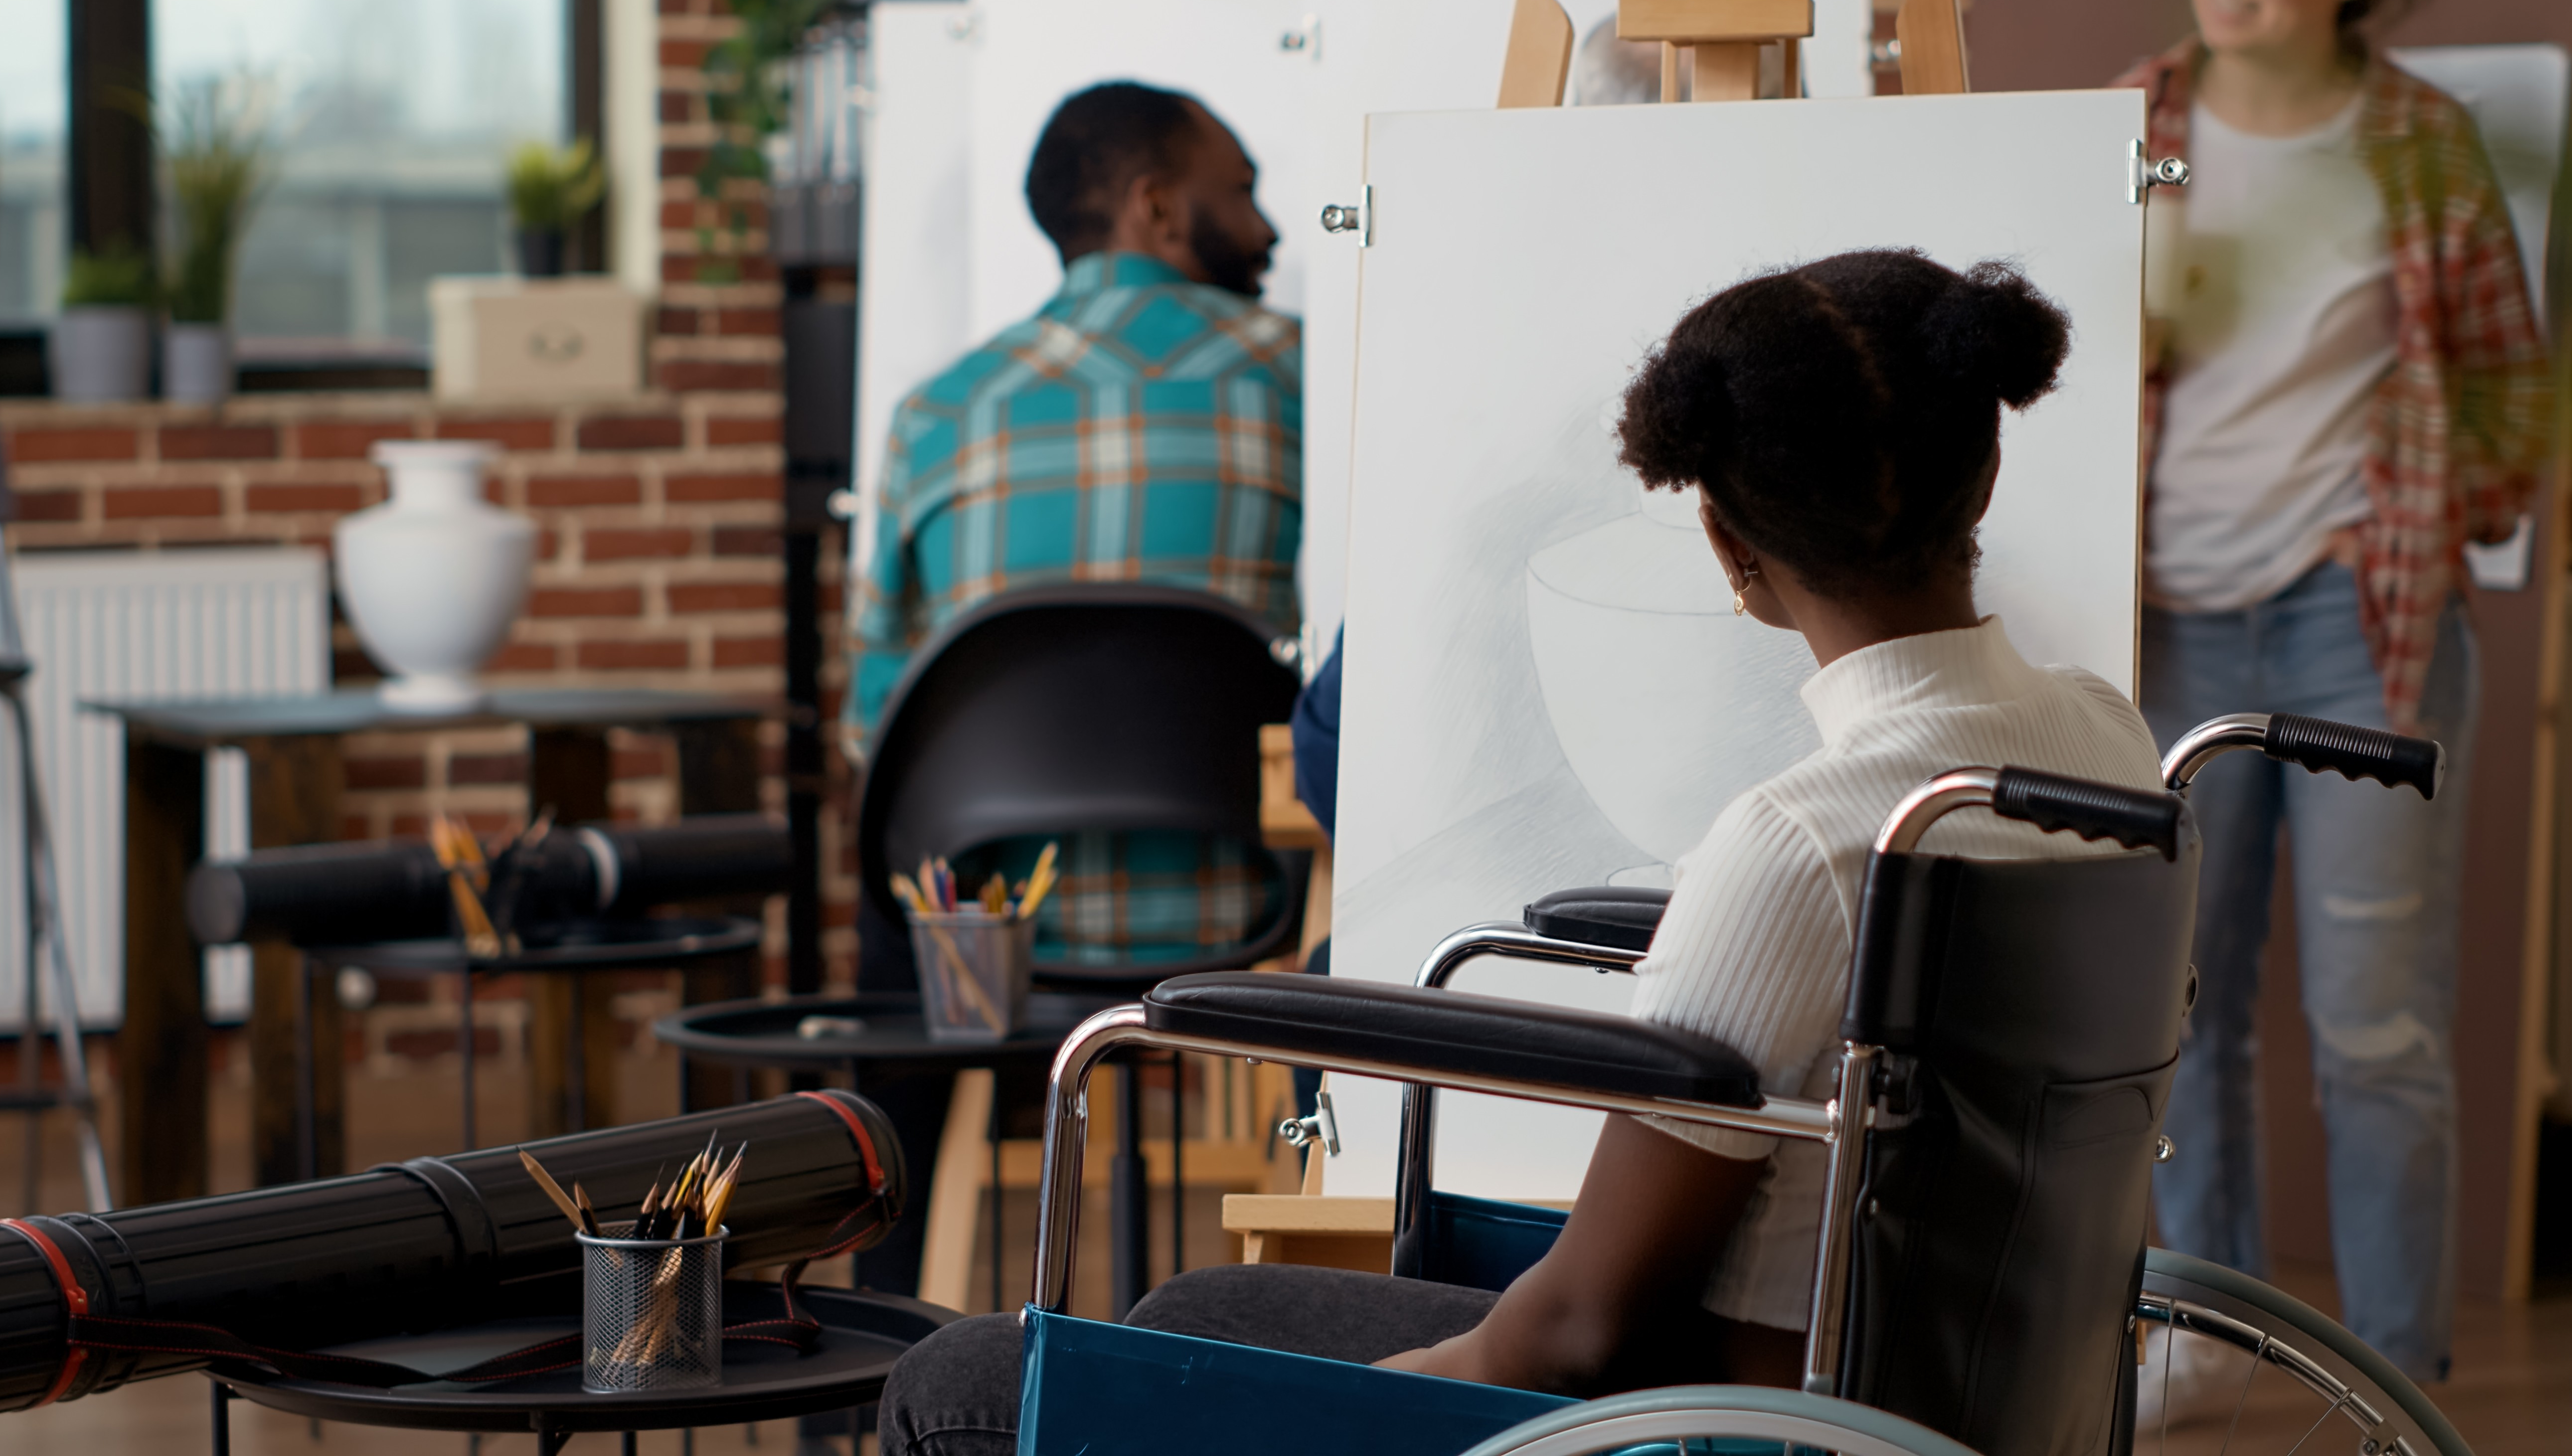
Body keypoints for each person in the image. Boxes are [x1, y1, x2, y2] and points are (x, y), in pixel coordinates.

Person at [878, 248, 2162, 1453]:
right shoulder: (2103, 755)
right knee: (1198, 1315)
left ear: (1732, 551)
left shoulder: (1801, 849)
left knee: (958, 1387)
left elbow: (1581, 1331)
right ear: (1982, 479)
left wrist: (1355, 1411)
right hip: (1947, 1404)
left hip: (1703, 1428)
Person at [2121, 0, 2549, 1387]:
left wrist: (2430, 523)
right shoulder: (2138, 121)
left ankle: (2389, 1383)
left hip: (2361, 627)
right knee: (2181, 1019)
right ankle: (2206, 1362)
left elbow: (2509, 381)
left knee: (2379, 1031)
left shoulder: (2422, 145)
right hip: (2168, 626)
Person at [837, 79, 1300, 1310]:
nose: (1268, 227)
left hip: (992, 946)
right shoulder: (1312, 379)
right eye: (1241, 191)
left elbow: (867, 725)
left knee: (889, 902)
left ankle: (881, 1335)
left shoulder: (937, 411)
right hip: (1249, 910)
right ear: (1156, 208)